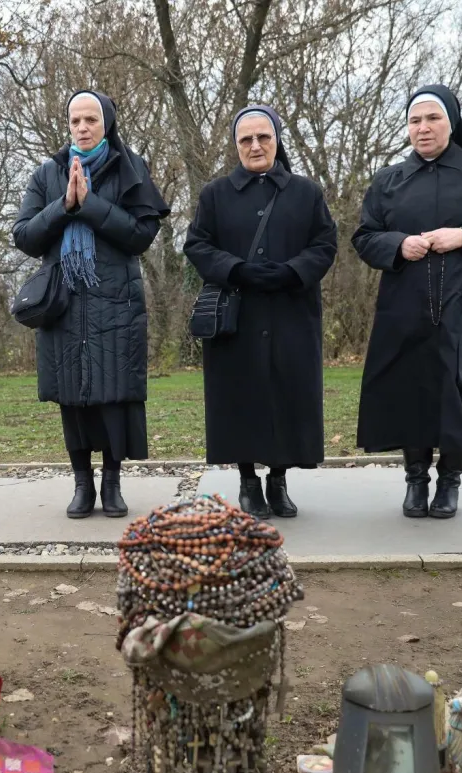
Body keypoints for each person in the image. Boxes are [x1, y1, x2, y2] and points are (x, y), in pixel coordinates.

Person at [352, 85, 462, 520]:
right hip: (404, 311)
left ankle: (449, 481)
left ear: (452, 122)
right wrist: (398, 244)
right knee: (411, 395)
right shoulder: (389, 179)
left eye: (433, 119)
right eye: (414, 121)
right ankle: (415, 480)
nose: (423, 128)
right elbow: (364, 237)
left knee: (457, 398)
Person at [12, 90, 170, 519]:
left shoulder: (130, 168)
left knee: (112, 396)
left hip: (115, 302)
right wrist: (64, 206)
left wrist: (91, 205)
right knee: (72, 397)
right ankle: (82, 483)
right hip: (63, 305)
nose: (82, 128)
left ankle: (112, 482)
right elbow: (24, 236)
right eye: (75, 121)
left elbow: (141, 235)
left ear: (107, 123)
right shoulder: (48, 173)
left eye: (91, 120)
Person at [183, 105, 338, 520]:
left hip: (292, 313)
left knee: (287, 397)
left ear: (277, 139)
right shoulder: (214, 194)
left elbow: (324, 244)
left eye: (263, 137)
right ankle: (249, 482)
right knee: (241, 399)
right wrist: (237, 269)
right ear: (236, 145)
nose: (255, 146)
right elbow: (197, 245)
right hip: (238, 317)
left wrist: (291, 272)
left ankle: (279, 479)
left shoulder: (306, 192)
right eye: (245, 139)